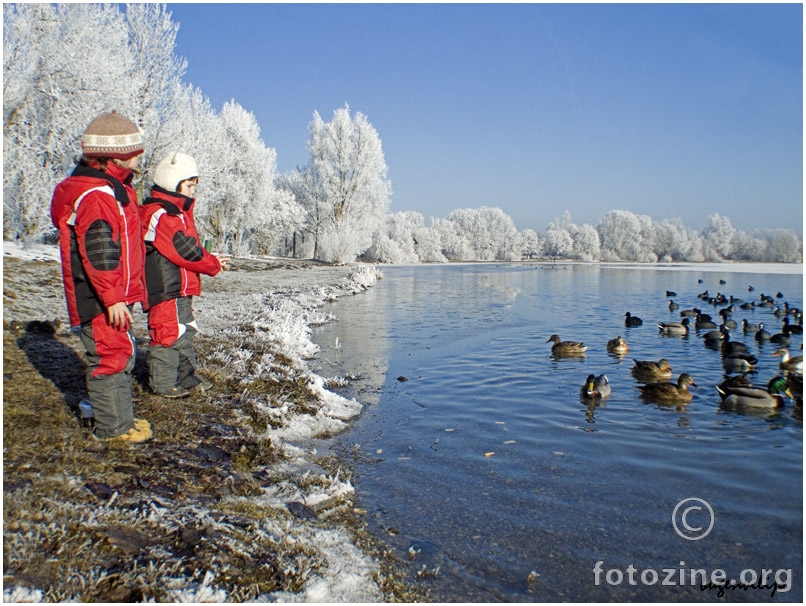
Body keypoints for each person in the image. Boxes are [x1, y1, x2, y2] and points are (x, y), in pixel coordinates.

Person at [50, 111, 152, 443]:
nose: (141, 156)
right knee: (110, 358)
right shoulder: (98, 196)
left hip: (113, 297)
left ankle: (121, 419)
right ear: (116, 156)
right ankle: (113, 430)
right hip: (100, 300)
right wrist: (113, 298)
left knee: (121, 352)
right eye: (136, 151)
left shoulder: (115, 190)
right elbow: (100, 251)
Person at [140, 151, 228, 398]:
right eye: (189, 185)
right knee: (167, 333)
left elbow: (188, 249)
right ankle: (164, 383)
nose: (192, 192)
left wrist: (210, 260)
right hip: (165, 287)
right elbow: (184, 250)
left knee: (185, 330)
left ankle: (186, 378)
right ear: (174, 183)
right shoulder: (162, 214)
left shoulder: (176, 213)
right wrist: (211, 263)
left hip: (180, 287)